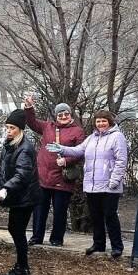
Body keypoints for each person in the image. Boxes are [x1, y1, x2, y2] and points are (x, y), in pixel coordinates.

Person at [48, 110, 128, 259]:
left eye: (104, 121)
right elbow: (79, 150)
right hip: (92, 185)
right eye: (98, 121)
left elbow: (121, 161)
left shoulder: (117, 137)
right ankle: (99, 244)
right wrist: (62, 149)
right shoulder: (92, 138)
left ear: (109, 122)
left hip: (110, 186)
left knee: (110, 216)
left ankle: (117, 246)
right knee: (95, 216)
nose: (101, 124)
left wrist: (114, 181)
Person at [0, 109, 40, 275]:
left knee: (17, 229)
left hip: (25, 196)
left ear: (20, 129)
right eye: (7, 127)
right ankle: (22, 266)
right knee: (15, 229)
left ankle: (22, 268)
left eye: (12, 128)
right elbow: (1, 172)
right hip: (17, 195)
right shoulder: (9, 145)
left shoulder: (25, 149)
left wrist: (5, 189)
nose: (9, 130)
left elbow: (22, 175)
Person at [24, 97, 85, 246]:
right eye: (60, 115)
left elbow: (81, 152)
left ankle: (56, 239)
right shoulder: (47, 127)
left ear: (71, 115)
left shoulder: (78, 131)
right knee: (39, 209)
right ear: (55, 116)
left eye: (66, 114)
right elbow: (31, 122)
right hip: (43, 177)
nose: (63, 117)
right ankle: (36, 237)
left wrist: (66, 161)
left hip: (63, 179)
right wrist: (29, 107)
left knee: (60, 211)